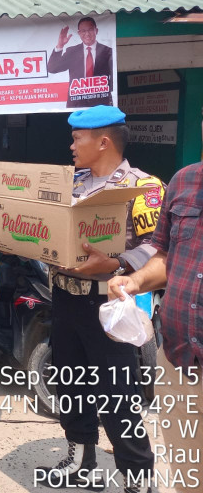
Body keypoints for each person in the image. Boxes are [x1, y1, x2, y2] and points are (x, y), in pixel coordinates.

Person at [36, 105, 163, 492]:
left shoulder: (145, 187)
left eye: (78, 138)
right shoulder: (66, 184)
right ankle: (81, 459)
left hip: (107, 307)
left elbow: (157, 249)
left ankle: (138, 477)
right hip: (65, 300)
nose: (71, 145)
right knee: (69, 385)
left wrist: (117, 262)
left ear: (103, 141)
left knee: (119, 397)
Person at [108, 113, 203, 493]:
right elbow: (164, 256)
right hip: (179, 359)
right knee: (188, 474)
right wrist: (134, 279)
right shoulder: (184, 181)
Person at [47, 16, 114, 108]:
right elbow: (52, 68)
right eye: (83, 31)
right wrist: (60, 45)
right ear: (79, 33)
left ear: (96, 31)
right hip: (76, 105)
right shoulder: (72, 52)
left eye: (90, 30)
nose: (87, 34)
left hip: (101, 105)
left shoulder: (108, 51)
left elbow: (113, 80)